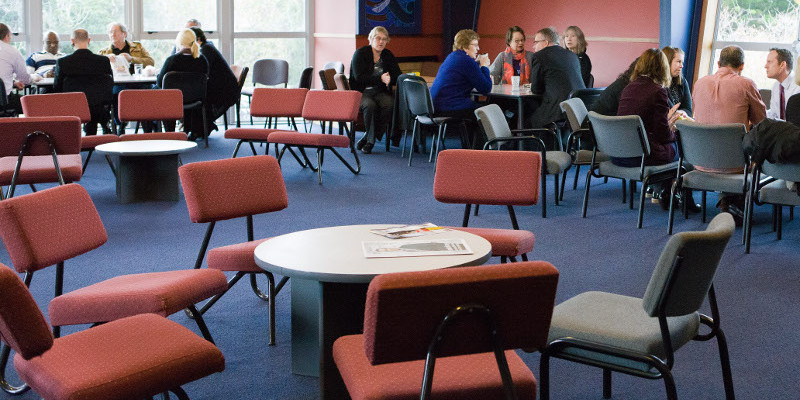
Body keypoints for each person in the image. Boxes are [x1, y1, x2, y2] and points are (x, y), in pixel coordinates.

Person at [692, 45, 767, 222]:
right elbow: (761, 122)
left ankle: (729, 200)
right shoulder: (745, 84)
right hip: (736, 164)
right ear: (742, 66)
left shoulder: (699, 83)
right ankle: (733, 200)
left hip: (701, 160)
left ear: (718, 63)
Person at [430, 29, 492, 148]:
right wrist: (484, 66)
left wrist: (477, 65)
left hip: (436, 106)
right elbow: (485, 88)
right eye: (475, 45)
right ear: (465, 46)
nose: (478, 48)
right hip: (449, 107)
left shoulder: (453, 57)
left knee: (478, 109)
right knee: (484, 112)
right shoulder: (466, 61)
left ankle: (470, 149)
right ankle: (479, 153)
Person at [349, 26, 401, 154]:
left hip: (379, 92)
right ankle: (370, 142)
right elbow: (359, 77)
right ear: (371, 39)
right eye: (378, 38)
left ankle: (368, 136)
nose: (381, 42)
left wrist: (390, 78)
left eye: (384, 39)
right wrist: (380, 78)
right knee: (369, 105)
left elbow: (397, 75)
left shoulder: (387, 55)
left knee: (390, 104)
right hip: (361, 92)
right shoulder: (360, 54)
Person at [53, 29, 114, 135]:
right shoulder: (103, 61)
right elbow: (109, 84)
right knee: (94, 107)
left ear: (72, 41)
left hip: (72, 108)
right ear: (89, 40)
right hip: (98, 107)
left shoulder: (63, 62)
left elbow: (57, 88)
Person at [156, 28, 209, 141]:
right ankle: (189, 131)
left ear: (179, 43)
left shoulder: (172, 60)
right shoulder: (202, 60)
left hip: (172, 101)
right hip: (195, 100)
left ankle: (169, 133)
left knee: (157, 93)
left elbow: (160, 82)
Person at [527, 27, 585, 130]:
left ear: (545, 42)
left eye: (536, 42)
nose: (533, 46)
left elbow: (536, 89)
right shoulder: (572, 55)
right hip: (579, 109)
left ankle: (519, 145)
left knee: (527, 118)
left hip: (557, 110)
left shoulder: (539, 56)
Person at [190, 27, 239, 133]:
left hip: (226, 92)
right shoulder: (206, 48)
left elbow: (202, 72)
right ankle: (201, 128)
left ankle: (199, 128)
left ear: (198, 39)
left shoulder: (206, 50)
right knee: (196, 96)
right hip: (220, 89)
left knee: (195, 98)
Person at [0, 22, 31, 115]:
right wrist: (34, 78)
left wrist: (13, 83)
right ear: (7, 36)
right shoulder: (12, 51)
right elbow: (24, 78)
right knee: (32, 104)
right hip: (3, 102)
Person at [764, 48, 800, 120]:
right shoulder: (776, 86)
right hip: (781, 129)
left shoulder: (798, 86)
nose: (765, 66)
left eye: (769, 62)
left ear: (782, 65)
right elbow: (774, 114)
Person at [661, 46, 692, 117]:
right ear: (667, 62)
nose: (682, 66)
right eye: (678, 61)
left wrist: (680, 113)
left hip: (681, 123)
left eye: (682, 62)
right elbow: (670, 110)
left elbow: (688, 109)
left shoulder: (682, 81)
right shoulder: (658, 83)